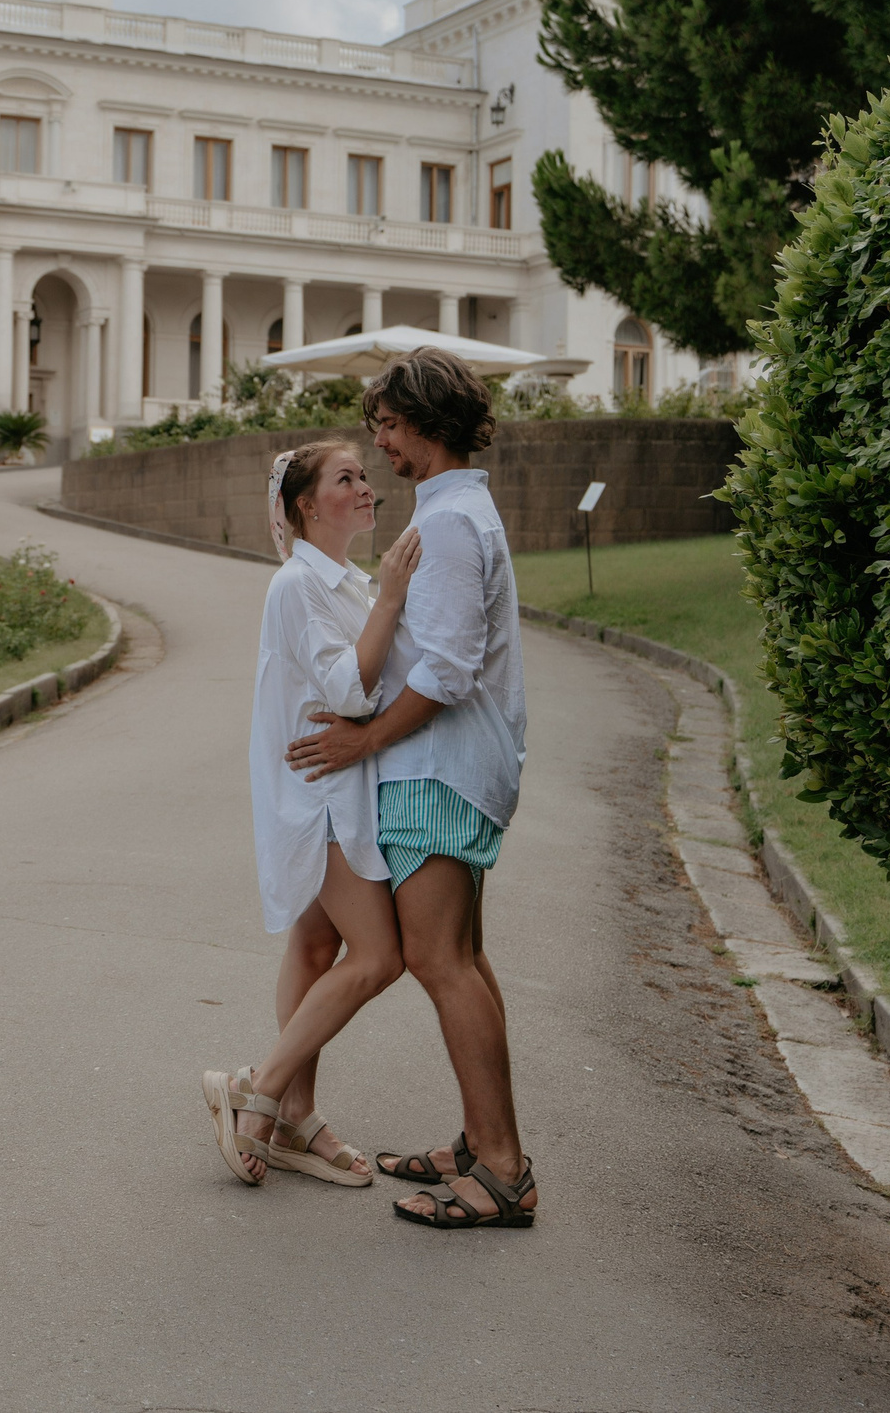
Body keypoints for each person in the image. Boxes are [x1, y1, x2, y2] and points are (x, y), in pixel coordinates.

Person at [285, 347, 535, 1229]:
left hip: (436, 767)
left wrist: (363, 740)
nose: (381, 442)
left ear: (428, 421)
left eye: (388, 424)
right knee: (462, 954)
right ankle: (481, 1143)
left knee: (438, 960)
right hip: (448, 763)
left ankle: (501, 1170)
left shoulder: (456, 520)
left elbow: (451, 667)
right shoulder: (456, 508)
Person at [201, 440, 421, 1186]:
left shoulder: (346, 583)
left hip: (346, 787)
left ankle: (296, 1115)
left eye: (365, 475)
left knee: (314, 945)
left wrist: (380, 597)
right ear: (305, 504)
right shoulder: (299, 584)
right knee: (379, 955)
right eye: (346, 478)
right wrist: (391, 598)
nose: (367, 487)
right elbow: (349, 690)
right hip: (322, 794)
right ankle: (258, 1092)